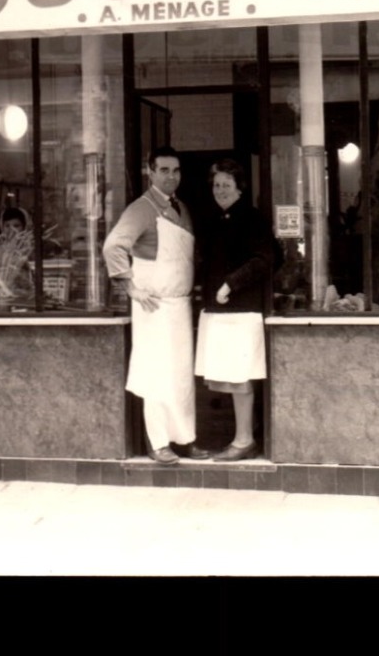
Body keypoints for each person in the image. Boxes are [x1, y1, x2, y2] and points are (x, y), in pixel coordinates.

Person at [102, 147, 208, 465]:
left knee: (180, 379)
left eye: (176, 170)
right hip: (154, 306)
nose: (171, 176)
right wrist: (132, 288)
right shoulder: (141, 209)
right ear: (151, 172)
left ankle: (185, 439)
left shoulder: (182, 208)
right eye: (164, 170)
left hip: (179, 306)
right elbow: (113, 247)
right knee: (157, 376)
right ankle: (158, 442)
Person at [193, 158, 274, 462]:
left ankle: (244, 441)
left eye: (227, 184)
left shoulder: (252, 219)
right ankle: (243, 432)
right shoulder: (215, 219)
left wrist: (230, 285)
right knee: (227, 377)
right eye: (216, 185)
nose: (221, 190)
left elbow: (263, 260)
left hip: (240, 311)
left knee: (240, 378)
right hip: (219, 312)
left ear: (240, 187)